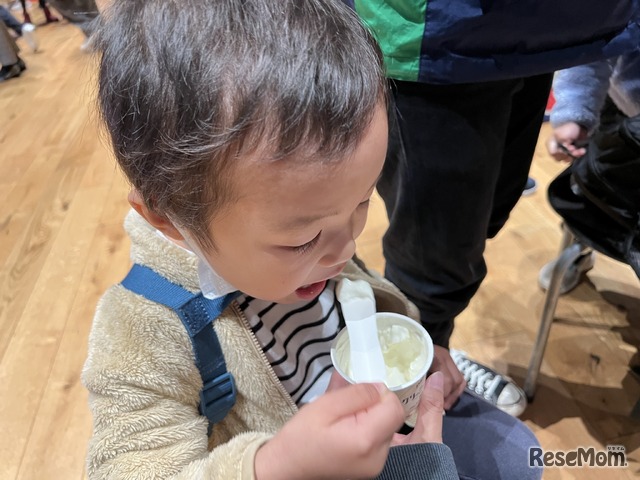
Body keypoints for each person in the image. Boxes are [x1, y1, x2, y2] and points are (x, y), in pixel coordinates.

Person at [83, 1, 542, 478]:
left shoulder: (320, 236)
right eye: (302, 240)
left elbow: (363, 296)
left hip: (385, 424)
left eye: (364, 202)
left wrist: (420, 348)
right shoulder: (140, 332)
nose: (344, 250)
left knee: (516, 454)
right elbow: (125, 466)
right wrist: (276, 467)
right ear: (168, 216)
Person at [345, 0, 640, 414]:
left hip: (548, 31)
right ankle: (417, 381)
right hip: (441, 38)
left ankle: (426, 360)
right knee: (433, 260)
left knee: (477, 222)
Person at [540, 51, 640, 292]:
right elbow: (597, 44)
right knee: (589, 196)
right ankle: (582, 244)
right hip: (623, 115)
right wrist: (575, 112)